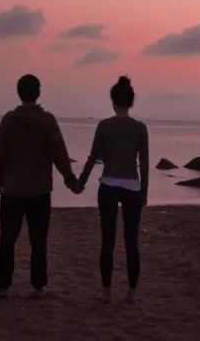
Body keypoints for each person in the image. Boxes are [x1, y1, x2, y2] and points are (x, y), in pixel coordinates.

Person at [0, 74, 78, 299]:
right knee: (38, 240)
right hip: (39, 192)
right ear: (38, 93)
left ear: (19, 93)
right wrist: (70, 180)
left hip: (12, 191)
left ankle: (2, 286)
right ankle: (38, 286)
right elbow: (60, 154)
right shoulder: (47, 121)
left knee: (7, 239)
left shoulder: (9, 120)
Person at [77, 76, 149, 304]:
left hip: (108, 185)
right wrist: (144, 192)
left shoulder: (104, 126)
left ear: (113, 101)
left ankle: (107, 291)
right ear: (131, 101)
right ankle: (131, 292)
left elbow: (93, 157)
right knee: (131, 241)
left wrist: (81, 182)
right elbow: (144, 163)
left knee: (108, 239)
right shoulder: (139, 128)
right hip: (131, 187)